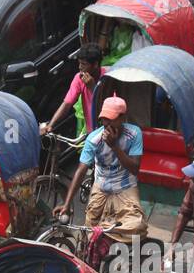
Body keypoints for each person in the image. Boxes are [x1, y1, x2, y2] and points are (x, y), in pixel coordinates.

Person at [54, 95, 147, 245]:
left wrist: (114, 146)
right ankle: (99, 237)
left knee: (137, 227)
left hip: (125, 187)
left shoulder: (134, 134)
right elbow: (81, 170)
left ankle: (104, 233)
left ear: (122, 117)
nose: (105, 123)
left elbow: (135, 169)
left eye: (110, 119)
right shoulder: (93, 139)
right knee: (88, 232)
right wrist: (67, 205)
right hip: (101, 187)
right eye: (104, 119)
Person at [41, 45, 103, 138]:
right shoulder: (79, 78)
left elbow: (108, 106)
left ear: (95, 64)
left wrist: (93, 88)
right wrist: (51, 125)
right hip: (92, 134)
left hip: (107, 131)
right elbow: (67, 104)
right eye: (79, 63)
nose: (80, 67)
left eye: (84, 64)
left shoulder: (108, 77)